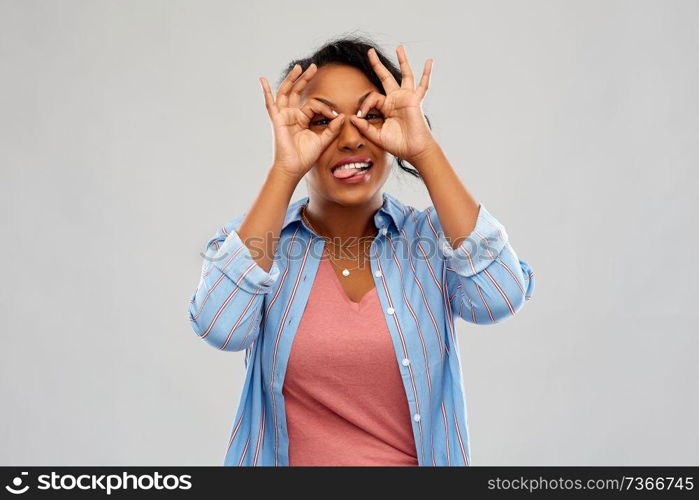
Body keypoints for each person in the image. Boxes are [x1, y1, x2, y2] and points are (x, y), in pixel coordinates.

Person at [188, 35, 536, 466]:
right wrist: (284, 169)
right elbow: (221, 327)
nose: (350, 137)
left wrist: (425, 150)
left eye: (370, 115)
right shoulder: (262, 245)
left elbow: (499, 297)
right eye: (322, 121)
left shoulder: (430, 240)